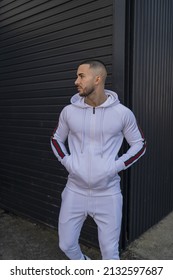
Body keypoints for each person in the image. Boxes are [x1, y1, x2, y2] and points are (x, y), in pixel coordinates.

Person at [51, 60, 146, 260]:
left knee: (110, 254)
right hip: (74, 190)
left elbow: (139, 144)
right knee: (66, 244)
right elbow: (56, 139)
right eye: (77, 76)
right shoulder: (69, 111)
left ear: (98, 78)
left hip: (108, 193)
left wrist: (115, 167)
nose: (76, 81)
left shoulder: (122, 113)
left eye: (81, 76)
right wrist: (69, 163)